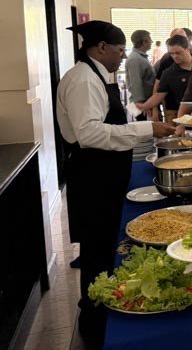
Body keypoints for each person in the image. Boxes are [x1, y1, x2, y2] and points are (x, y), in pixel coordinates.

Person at [57, 21, 174, 346]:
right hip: (92, 176)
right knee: (97, 249)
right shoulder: (83, 80)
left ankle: (100, 307)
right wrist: (147, 130)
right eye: (120, 50)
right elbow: (89, 133)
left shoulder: (93, 75)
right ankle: (94, 320)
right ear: (101, 47)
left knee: (104, 245)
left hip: (102, 174)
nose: (123, 57)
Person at [136, 35, 192, 124]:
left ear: (188, 48)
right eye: (171, 54)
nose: (175, 56)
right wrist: (145, 106)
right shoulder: (169, 73)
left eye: (178, 53)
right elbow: (159, 95)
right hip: (183, 115)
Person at [124, 30, 155, 121]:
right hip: (142, 104)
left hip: (146, 102)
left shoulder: (140, 57)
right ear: (144, 42)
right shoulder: (135, 59)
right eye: (150, 39)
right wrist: (142, 104)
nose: (152, 42)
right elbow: (135, 82)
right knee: (146, 127)